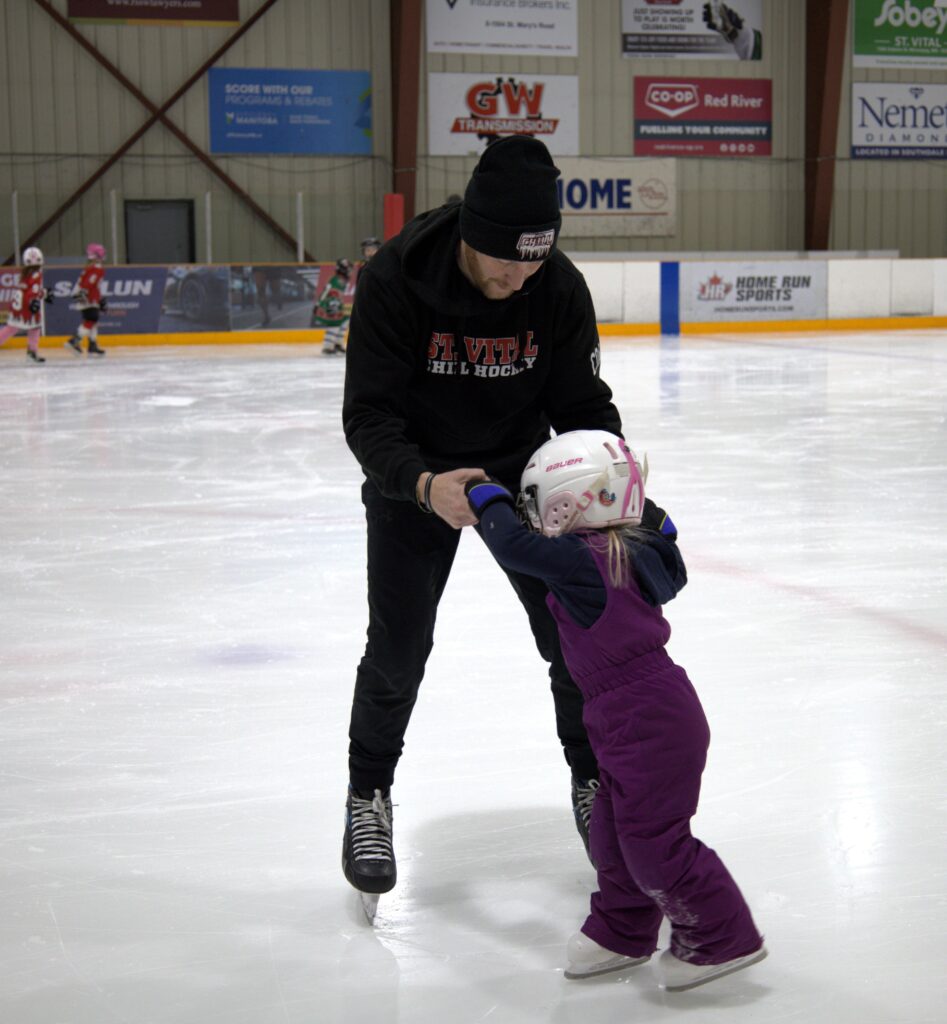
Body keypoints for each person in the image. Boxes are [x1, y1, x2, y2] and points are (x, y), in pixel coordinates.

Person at [340, 135, 629, 903]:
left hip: (522, 474)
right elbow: (367, 416)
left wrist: (608, 483)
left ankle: (593, 780)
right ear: (472, 232)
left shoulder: (556, 286)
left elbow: (581, 407)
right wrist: (420, 483)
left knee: (575, 636)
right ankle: (368, 794)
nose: (518, 278)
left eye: (534, 262)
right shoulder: (396, 277)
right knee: (397, 648)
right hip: (415, 477)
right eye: (506, 262)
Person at [464, 430, 767, 991]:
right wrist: (642, 506)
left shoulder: (585, 561)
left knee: (654, 843)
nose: (533, 515)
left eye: (538, 502)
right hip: (628, 718)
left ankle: (722, 936)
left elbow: (512, 547)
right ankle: (621, 932)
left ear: (569, 500)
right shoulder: (632, 552)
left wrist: (486, 495)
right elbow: (666, 544)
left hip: (649, 718)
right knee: (610, 835)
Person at [0, 246, 52, 364]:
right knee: (34, 327)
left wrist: (42, 293)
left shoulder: (26, 273)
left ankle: (32, 353)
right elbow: (32, 292)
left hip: (18, 306)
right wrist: (41, 295)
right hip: (26, 306)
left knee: (11, 328)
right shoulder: (36, 274)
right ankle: (32, 352)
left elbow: (28, 289)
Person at [65, 243, 108, 357]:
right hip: (86, 296)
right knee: (92, 319)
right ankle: (74, 341)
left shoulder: (91, 267)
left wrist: (99, 299)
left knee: (93, 321)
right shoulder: (97, 268)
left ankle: (92, 346)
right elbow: (88, 284)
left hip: (84, 295)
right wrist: (88, 299)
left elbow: (91, 285)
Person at [313, 258, 353, 355]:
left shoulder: (342, 280)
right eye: (347, 269)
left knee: (344, 322)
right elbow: (326, 291)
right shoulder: (335, 279)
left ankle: (337, 343)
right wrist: (318, 304)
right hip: (331, 306)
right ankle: (327, 347)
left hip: (337, 306)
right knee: (334, 325)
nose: (349, 271)